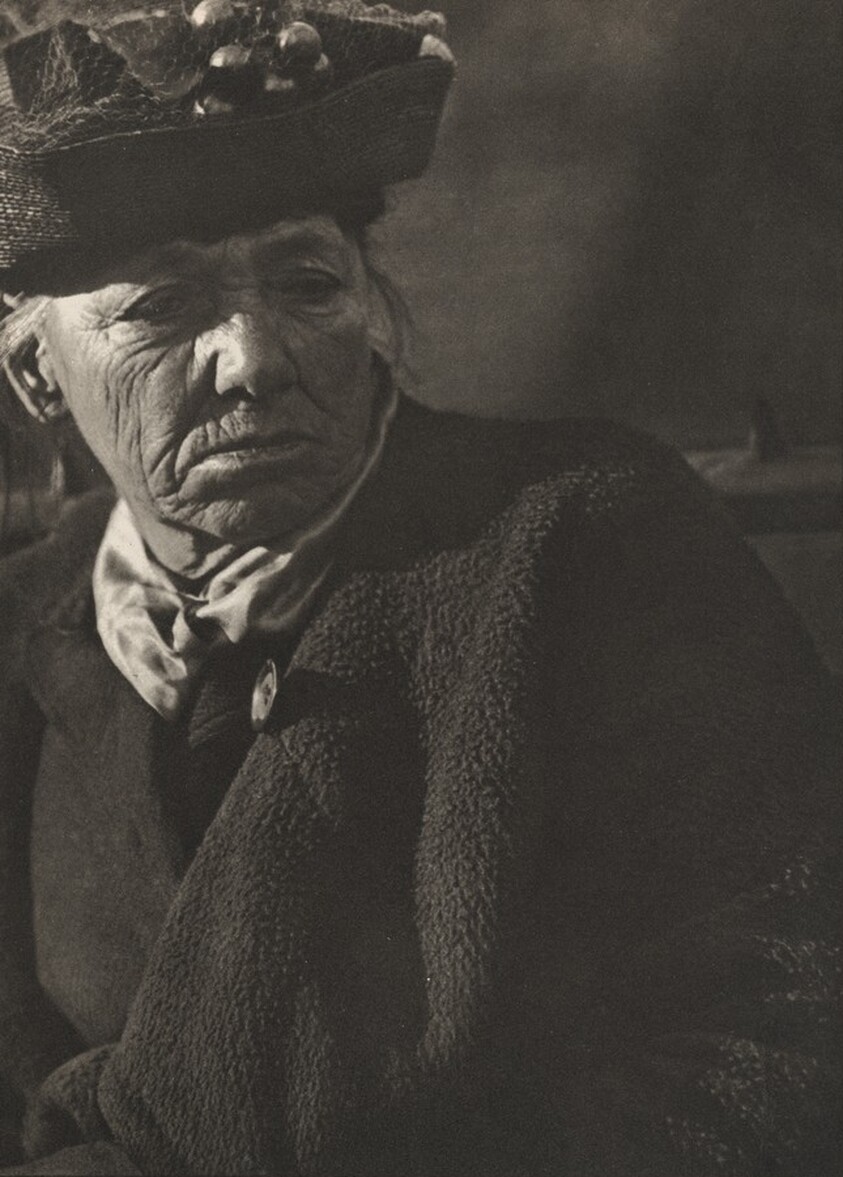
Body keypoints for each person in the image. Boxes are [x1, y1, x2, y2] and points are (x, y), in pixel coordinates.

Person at [0, 4, 839, 1175]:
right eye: (164, 307)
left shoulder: (591, 545)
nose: (253, 356)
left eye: (306, 281)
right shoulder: (23, 629)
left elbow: (784, 1044)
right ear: (39, 371)